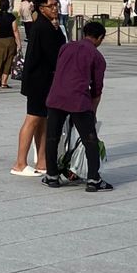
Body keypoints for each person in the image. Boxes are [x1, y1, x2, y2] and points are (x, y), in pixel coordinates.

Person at [42, 20, 112, 192]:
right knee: (90, 140)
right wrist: (92, 112)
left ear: (84, 33)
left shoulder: (65, 47)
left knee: (52, 137)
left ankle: (51, 175)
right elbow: (97, 89)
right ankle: (93, 180)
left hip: (56, 97)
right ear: (100, 38)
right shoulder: (97, 56)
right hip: (78, 101)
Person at [13, 0, 63, 175]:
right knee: (33, 119)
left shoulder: (51, 25)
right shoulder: (42, 27)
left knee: (43, 120)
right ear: (42, 8)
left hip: (46, 79)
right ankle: (19, 163)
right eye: (51, 5)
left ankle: (42, 162)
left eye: (56, 4)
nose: (55, 8)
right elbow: (53, 55)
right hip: (38, 80)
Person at [0, 0, 20, 87]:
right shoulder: (12, 17)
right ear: (8, 6)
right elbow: (15, 31)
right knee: (8, 61)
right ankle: (4, 82)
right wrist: (19, 43)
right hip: (10, 40)